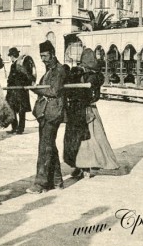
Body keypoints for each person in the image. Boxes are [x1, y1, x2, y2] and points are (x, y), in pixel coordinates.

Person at [64, 48, 119, 179]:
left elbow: (93, 84)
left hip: (88, 110)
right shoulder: (79, 73)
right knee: (76, 140)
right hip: (77, 109)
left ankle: (87, 166)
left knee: (89, 141)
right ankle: (78, 166)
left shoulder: (95, 75)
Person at [26, 40, 67, 194]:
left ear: (52, 54)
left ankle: (40, 184)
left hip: (52, 114)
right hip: (44, 113)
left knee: (44, 148)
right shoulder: (48, 71)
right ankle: (57, 181)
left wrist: (35, 89)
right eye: (41, 56)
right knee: (49, 146)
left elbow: (53, 91)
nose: (42, 59)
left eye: (45, 56)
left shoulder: (59, 70)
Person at [5, 47, 32, 135]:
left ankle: (19, 129)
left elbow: (23, 77)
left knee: (20, 110)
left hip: (19, 91)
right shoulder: (15, 64)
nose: (10, 58)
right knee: (13, 109)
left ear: (12, 56)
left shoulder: (20, 64)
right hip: (14, 91)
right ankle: (16, 128)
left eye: (10, 56)